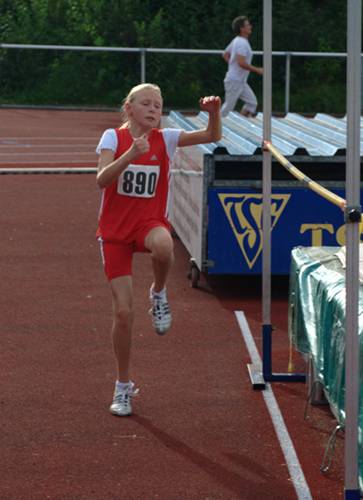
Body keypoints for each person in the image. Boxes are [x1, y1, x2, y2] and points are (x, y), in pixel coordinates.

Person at [95, 83, 221, 417]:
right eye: (147, 104)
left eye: (158, 105)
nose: (154, 110)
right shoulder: (113, 137)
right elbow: (102, 179)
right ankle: (123, 387)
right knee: (123, 312)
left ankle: (159, 292)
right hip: (115, 233)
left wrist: (214, 113)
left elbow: (211, 136)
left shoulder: (165, 138)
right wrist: (131, 155)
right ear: (130, 107)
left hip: (148, 223)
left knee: (164, 246)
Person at [221, 15, 263, 118]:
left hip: (240, 81)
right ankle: (214, 128)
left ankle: (241, 120)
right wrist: (257, 69)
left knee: (252, 103)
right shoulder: (241, 43)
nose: (250, 26)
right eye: (248, 25)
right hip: (235, 81)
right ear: (242, 28)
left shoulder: (237, 40)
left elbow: (225, 54)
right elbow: (241, 62)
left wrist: (232, 66)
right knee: (228, 107)